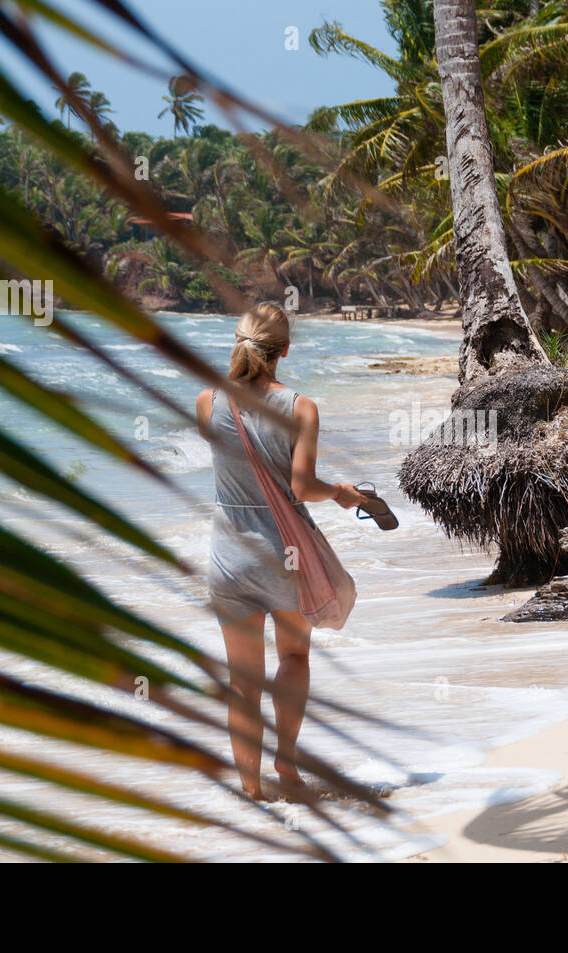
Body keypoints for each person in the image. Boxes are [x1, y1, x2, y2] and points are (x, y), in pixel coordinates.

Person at [196, 302, 367, 799]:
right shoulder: (301, 408)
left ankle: (250, 788)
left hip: (227, 555)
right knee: (293, 656)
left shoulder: (208, 401)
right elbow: (302, 487)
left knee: (242, 680)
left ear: (237, 341)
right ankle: (286, 768)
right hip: (283, 553)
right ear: (285, 350)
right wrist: (343, 492)